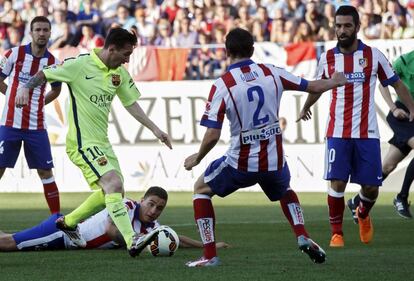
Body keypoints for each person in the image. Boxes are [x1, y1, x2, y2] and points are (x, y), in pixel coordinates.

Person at [183, 28, 347, 267]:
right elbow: (312, 86)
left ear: (226, 52)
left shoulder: (223, 85)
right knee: (285, 190)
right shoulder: (271, 72)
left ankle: (209, 255)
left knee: (201, 189)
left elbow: (212, 134)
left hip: (240, 163)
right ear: (252, 50)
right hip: (274, 161)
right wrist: (334, 81)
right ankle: (302, 234)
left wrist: (197, 157)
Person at [15, 28, 172, 258]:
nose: (128, 59)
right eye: (125, 54)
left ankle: (68, 223)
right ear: (111, 49)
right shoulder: (80, 65)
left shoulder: (119, 73)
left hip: (102, 143)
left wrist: (156, 129)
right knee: (113, 185)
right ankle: (132, 240)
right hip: (82, 143)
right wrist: (24, 88)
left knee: (112, 192)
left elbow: (131, 104)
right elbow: (45, 73)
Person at [297, 6, 414, 248]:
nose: (342, 30)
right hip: (337, 132)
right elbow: (317, 86)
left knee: (371, 188)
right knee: (337, 182)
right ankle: (336, 233)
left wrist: (413, 109)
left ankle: (362, 212)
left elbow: (396, 84)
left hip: (367, 133)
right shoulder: (327, 58)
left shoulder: (374, 56)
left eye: (347, 25)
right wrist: (306, 106)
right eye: (338, 25)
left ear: (357, 27)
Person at [0, 186, 230, 251]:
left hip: (67, 237)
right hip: (63, 233)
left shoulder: (151, 225)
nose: (154, 211)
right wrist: (136, 243)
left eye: (159, 208)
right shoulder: (127, 205)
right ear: (142, 200)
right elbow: (111, 230)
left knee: (8, 237)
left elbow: (172, 236)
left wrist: (208, 245)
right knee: (7, 244)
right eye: (151, 204)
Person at [0, 16, 61, 215]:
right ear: (31, 32)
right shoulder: (14, 54)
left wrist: (37, 103)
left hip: (36, 127)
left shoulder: (53, 62)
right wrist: (13, 94)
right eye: (38, 30)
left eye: (45, 30)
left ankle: (56, 221)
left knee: (46, 173)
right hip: (9, 124)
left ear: (50, 33)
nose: (42, 33)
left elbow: (56, 90)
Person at [348, 51, 414, 219]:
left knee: (387, 167)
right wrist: (393, 108)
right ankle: (402, 197)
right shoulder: (404, 61)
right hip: (403, 115)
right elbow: (383, 84)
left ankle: (356, 202)